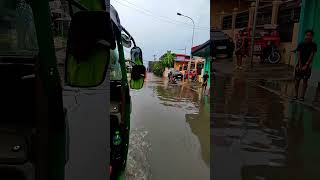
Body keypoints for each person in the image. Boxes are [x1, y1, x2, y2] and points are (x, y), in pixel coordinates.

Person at [294, 29, 317, 101]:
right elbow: (298, 54)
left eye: (310, 35)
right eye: (307, 35)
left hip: (307, 65)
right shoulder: (301, 44)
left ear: (312, 37)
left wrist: (307, 65)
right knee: (297, 81)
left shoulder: (314, 45)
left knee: (305, 81)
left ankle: (302, 96)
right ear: (305, 35)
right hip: (300, 64)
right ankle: (295, 95)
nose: (308, 37)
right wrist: (300, 65)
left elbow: (312, 55)